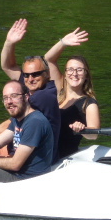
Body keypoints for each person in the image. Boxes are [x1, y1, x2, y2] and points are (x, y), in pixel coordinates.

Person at [0, 19, 62, 162]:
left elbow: (8, 123)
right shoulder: (29, 85)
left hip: (36, 161)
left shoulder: (44, 95)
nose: (30, 79)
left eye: (36, 74)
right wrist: (9, 42)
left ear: (47, 74)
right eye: (26, 75)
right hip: (23, 151)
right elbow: (8, 66)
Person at [45, 29, 101, 159]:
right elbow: (48, 59)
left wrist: (82, 129)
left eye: (79, 70)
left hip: (61, 157)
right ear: (65, 74)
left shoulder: (89, 103)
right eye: (70, 69)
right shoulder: (59, 90)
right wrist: (63, 43)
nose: (74, 74)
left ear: (86, 75)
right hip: (44, 152)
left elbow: (94, 134)